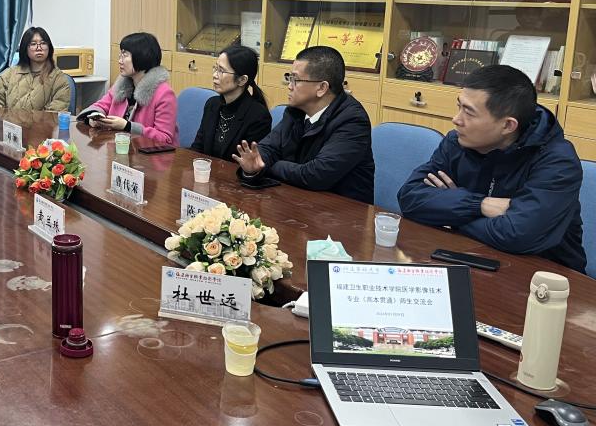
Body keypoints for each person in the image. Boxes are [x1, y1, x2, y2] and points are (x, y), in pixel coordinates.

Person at [398, 64, 585, 271]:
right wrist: (480, 205)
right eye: (459, 106)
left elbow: (517, 235)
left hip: (546, 276)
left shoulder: (558, 162)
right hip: (469, 256)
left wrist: (451, 212)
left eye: (469, 112)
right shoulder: (457, 142)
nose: (456, 119)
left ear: (508, 125)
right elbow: (410, 198)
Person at [233, 46, 374, 203]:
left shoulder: (352, 121)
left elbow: (315, 175)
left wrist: (268, 166)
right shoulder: (296, 111)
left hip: (343, 210)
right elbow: (268, 149)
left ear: (322, 88)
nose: (289, 86)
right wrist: (255, 165)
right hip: (297, 200)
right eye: (289, 78)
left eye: (296, 80)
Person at [79, 32, 178, 145]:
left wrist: (127, 126)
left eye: (125, 55)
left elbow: (165, 138)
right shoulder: (122, 85)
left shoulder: (164, 94)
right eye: (120, 56)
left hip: (149, 154)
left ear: (141, 57)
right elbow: (101, 105)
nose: (120, 61)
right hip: (120, 150)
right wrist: (94, 118)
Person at [191, 45, 272, 160]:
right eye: (215, 68)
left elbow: (247, 164)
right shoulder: (212, 104)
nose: (214, 75)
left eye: (221, 71)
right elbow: (197, 148)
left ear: (242, 80)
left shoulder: (258, 117)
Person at [0, 27, 71, 111]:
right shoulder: (8, 75)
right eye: (33, 44)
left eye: (43, 43)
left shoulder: (59, 79)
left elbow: (55, 113)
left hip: (44, 120)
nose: (39, 48)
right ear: (25, 48)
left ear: (49, 48)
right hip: (9, 120)